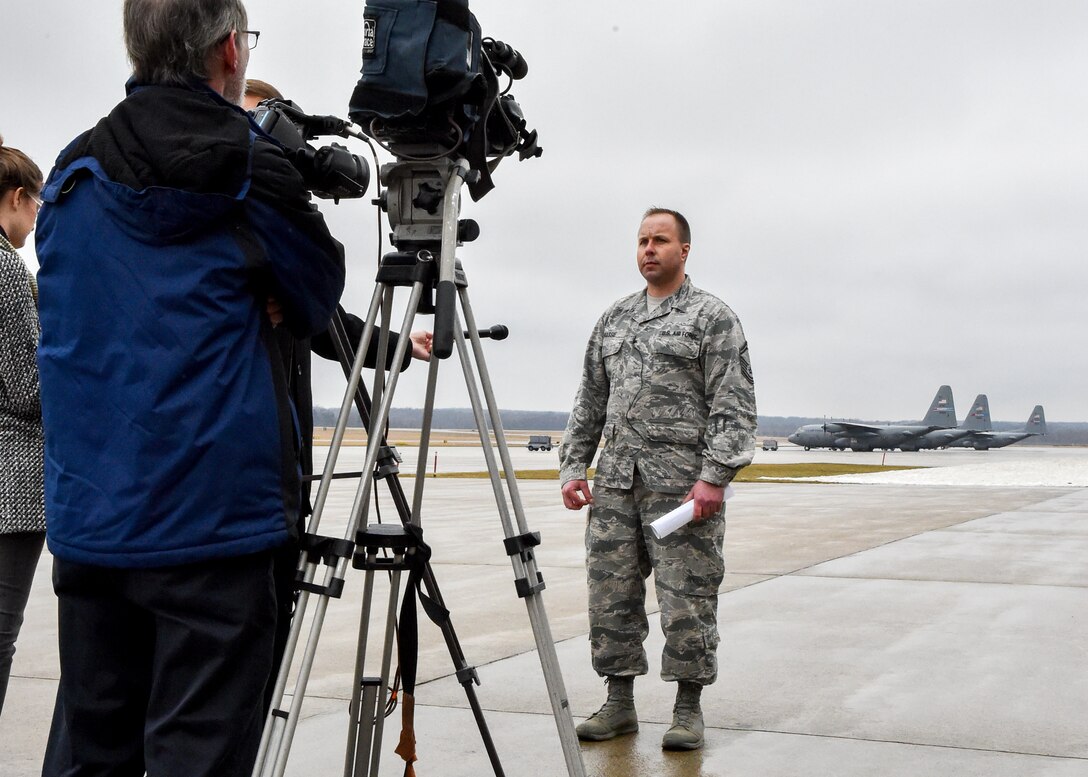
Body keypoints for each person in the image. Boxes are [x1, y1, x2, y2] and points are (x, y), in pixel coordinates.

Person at [34, 2, 345, 775]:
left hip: (93, 520)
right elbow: (316, 285)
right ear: (229, 49)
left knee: (89, 750)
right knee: (198, 754)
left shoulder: (73, 170)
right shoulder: (247, 165)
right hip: (214, 528)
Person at [240, 77, 433, 714]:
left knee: (268, 639)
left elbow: (334, 328)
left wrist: (402, 346)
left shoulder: (283, 252)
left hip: (280, 478)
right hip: (232, 480)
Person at [559, 207, 756, 751]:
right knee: (612, 597)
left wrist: (715, 477)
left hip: (681, 491)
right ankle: (618, 703)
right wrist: (574, 466)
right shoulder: (614, 320)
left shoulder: (711, 318)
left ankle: (687, 709)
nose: (649, 249)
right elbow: (590, 400)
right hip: (617, 486)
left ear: (684, 250)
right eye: (642, 241)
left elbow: (734, 405)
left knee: (686, 598)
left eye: (660, 240)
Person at [0, 138, 45, 717]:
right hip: (12, 483)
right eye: (36, 206)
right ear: (17, 198)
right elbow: (26, 388)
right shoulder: (6, 267)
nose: (36, 221)